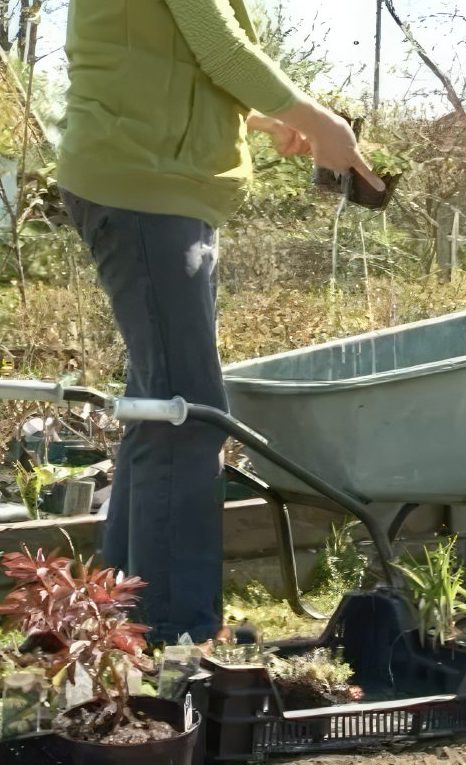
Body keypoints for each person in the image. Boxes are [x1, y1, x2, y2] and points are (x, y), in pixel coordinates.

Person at [58, 0, 383, 645]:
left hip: (160, 185)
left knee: (160, 408)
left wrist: (265, 117)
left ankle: (117, 617)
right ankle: (174, 631)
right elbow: (222, 48)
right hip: (144, 184)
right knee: (188, 410)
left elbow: (169, 62)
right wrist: (318, 122)